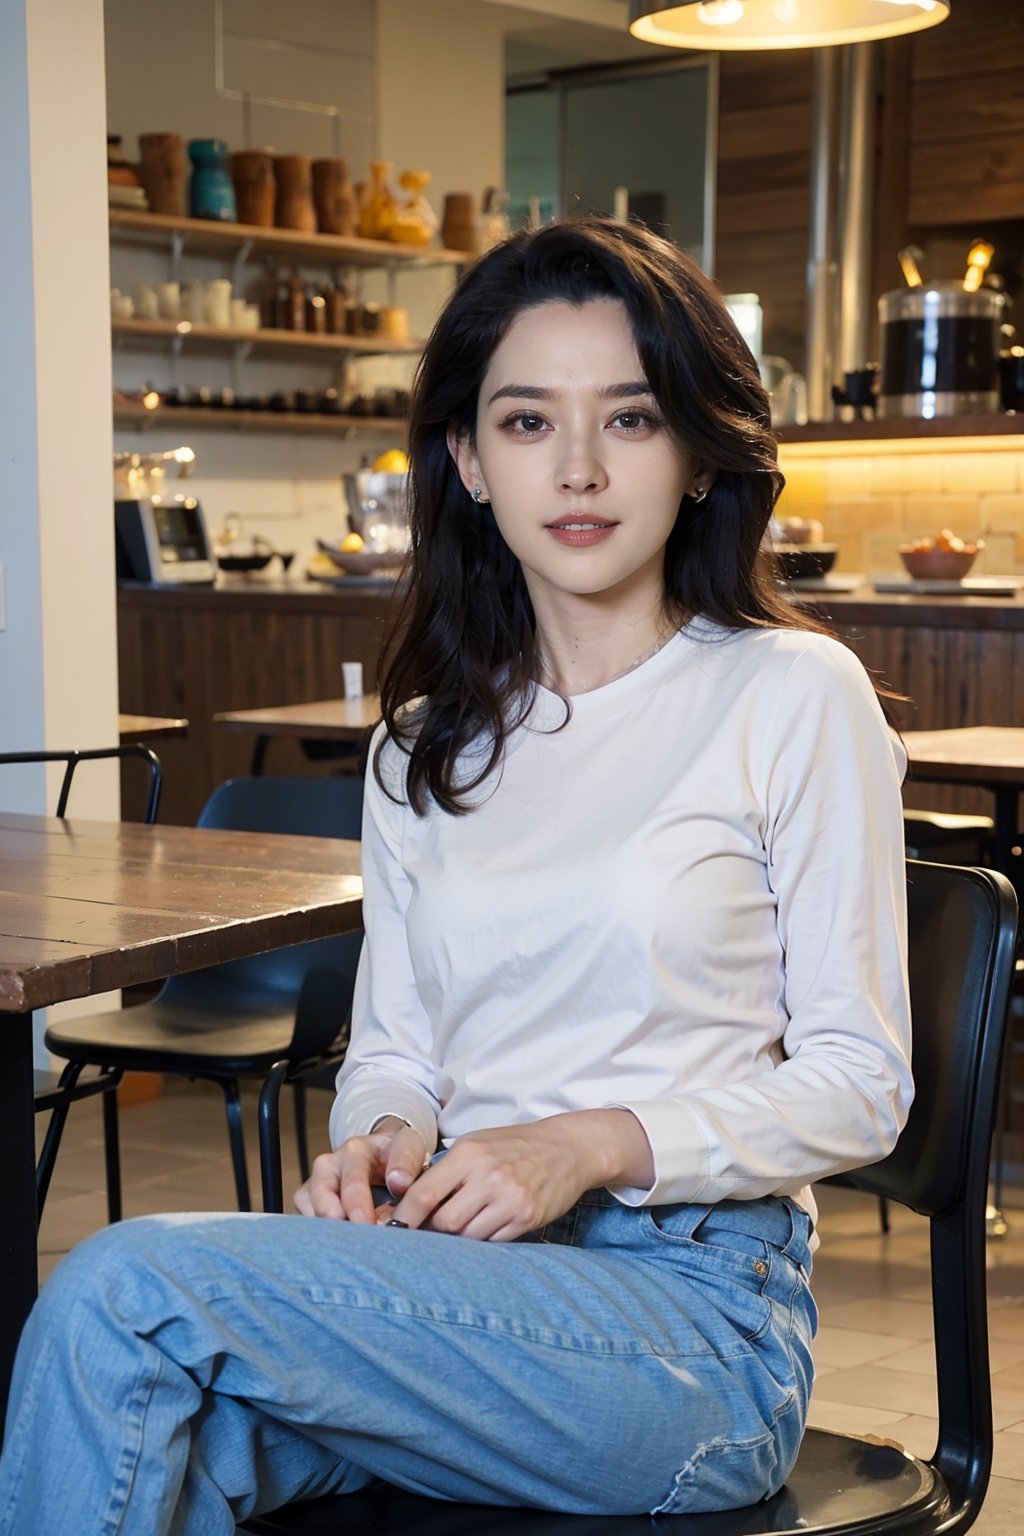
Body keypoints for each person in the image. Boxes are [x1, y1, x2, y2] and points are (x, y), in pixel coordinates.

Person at [0, 216, 912, 1534]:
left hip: (693, 1328)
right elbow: (400, 1056)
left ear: (701, 453)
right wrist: (378, 1144)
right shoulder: (425, 749)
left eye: (633, 419)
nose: (581, 467)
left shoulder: (788, 696)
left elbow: (862, 1087)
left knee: (122, 1290)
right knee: (136, 1412)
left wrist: (586, 1146)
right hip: (454, 1281)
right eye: (530, 422)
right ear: (471, 461)